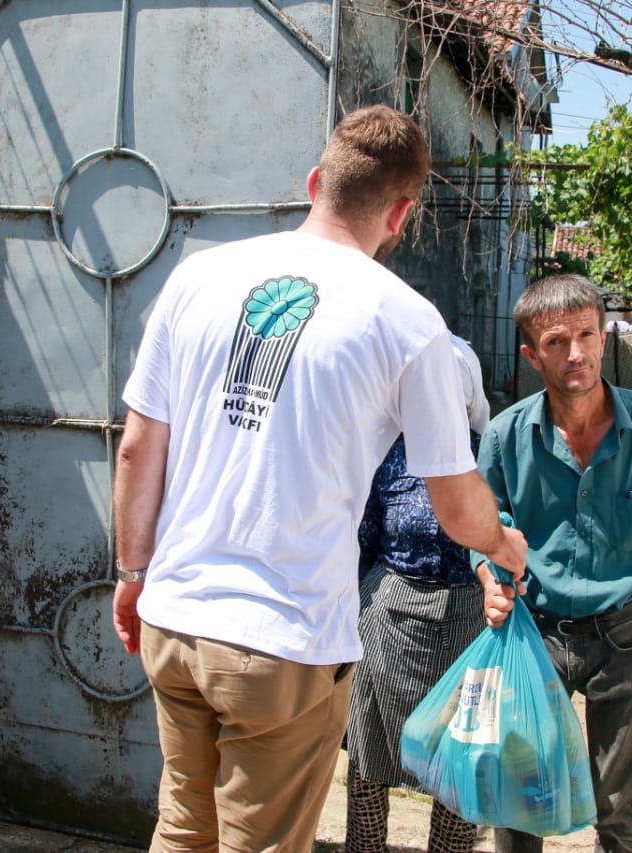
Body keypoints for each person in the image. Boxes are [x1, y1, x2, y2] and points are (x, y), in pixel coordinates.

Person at [110, 105, 527, 853]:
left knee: (182, 827)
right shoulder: (408, 321)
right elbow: (456, 501)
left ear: (315, 182)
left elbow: (138, 448)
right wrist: (503, 541)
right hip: (282, 643)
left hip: (173, 623)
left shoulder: (198, 276)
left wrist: (132, 572)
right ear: (401, 213)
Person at [472, 274, 632, 853]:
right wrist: (488, 584)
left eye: (586, 335)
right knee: (520, 802)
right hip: (531, 636)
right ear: (531, 354)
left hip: (622, 638)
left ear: (603, 337)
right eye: (555, 342)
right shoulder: (504, 437)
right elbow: (485, 535)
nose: (575, 353)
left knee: (616, 807)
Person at [344, 335, 490, 853]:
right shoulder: (389, 456)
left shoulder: (487, 459)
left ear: (466, 394)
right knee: (368, 758)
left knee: (459, 761)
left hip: (468, 625)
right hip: (388, 620)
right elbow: (364, 539)